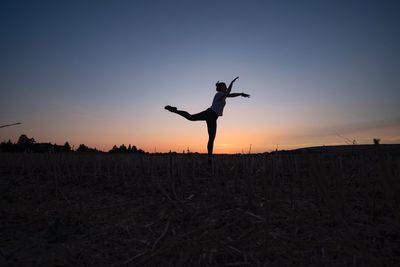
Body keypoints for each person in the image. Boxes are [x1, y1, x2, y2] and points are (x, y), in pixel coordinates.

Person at [165, 76, 250, 161]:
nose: (226, 88)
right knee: (191, 117)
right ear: (221, 88)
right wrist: (240, 94)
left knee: (211, 138)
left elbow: (228, 92)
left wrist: (232, 82)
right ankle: (174, 110)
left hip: (213, 118)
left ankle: (209, 158)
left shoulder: (223, 95)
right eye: (225, 86)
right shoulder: (219, 94)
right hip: (209, 114)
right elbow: (229, 94)